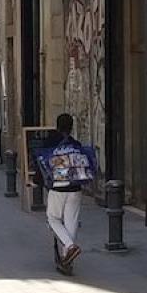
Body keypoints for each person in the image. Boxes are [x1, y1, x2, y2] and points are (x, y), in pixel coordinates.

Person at [35, 113, 99, 275]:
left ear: (57, 126)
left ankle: (69, 247)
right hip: (75, 188)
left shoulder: (50, 143)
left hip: (57, 187)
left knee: (53, 219)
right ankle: (66, 260)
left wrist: (37, 181)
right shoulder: (76, 144)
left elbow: (42, 163)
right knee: (71, 222)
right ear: (71, 127)